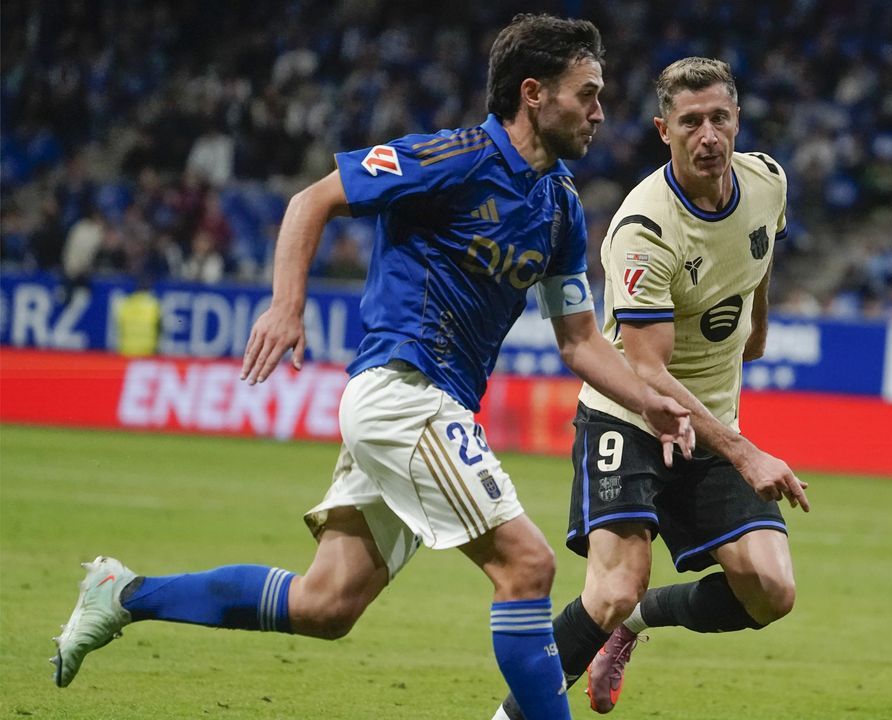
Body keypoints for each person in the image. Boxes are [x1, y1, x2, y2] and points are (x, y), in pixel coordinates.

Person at [51, 16, 697, 720]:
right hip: (404, 393)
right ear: (534, 94)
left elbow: (578, 340)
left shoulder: (561, 208)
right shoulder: (451, 158)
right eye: (588, 93)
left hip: (431, 406)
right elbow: (312, 200)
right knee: (529, 567)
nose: (602, 111)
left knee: (326, 604)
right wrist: (285, 306)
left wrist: (647, 399)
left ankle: (122, 593)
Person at [495, 57, 810, 720]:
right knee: (610, 587)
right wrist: (746, 451)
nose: (708, 136)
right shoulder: (645, 229)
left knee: (771, 589)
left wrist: (757, 330)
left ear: (737, 122)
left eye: (719, 118)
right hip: (631, 418)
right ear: (664, 130)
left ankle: (635, 623)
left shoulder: (767, 182)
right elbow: (648, 372)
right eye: (691, 122)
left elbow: (758, 261)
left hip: (711, 420)